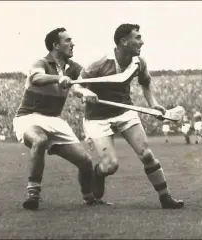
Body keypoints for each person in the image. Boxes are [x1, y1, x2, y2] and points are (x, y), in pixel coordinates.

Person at [75, 23, 184, 209]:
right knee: (110, 165)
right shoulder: (99, 62)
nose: (142, 41)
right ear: (124, 41)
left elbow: (146, 82)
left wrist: (153, 103)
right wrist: (85, 93)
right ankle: (99, 173)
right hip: (97, 117)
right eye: (138, 37)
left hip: (124, 110)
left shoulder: (139, 62)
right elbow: (77, 85)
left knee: (146, 154)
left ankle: (165, 197)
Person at [13, 27, 99, 210]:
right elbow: (36, 78)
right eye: (67, 40)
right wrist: (58, 78)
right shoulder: (42, 62)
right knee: (39, 139)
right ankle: (33, 194)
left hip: (54, 120)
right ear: (55, 45)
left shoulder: (74, 68)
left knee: (86, 162)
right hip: (29, 117)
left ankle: (89, 198)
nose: (72, 43)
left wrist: (86, 92)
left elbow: (77, 88)